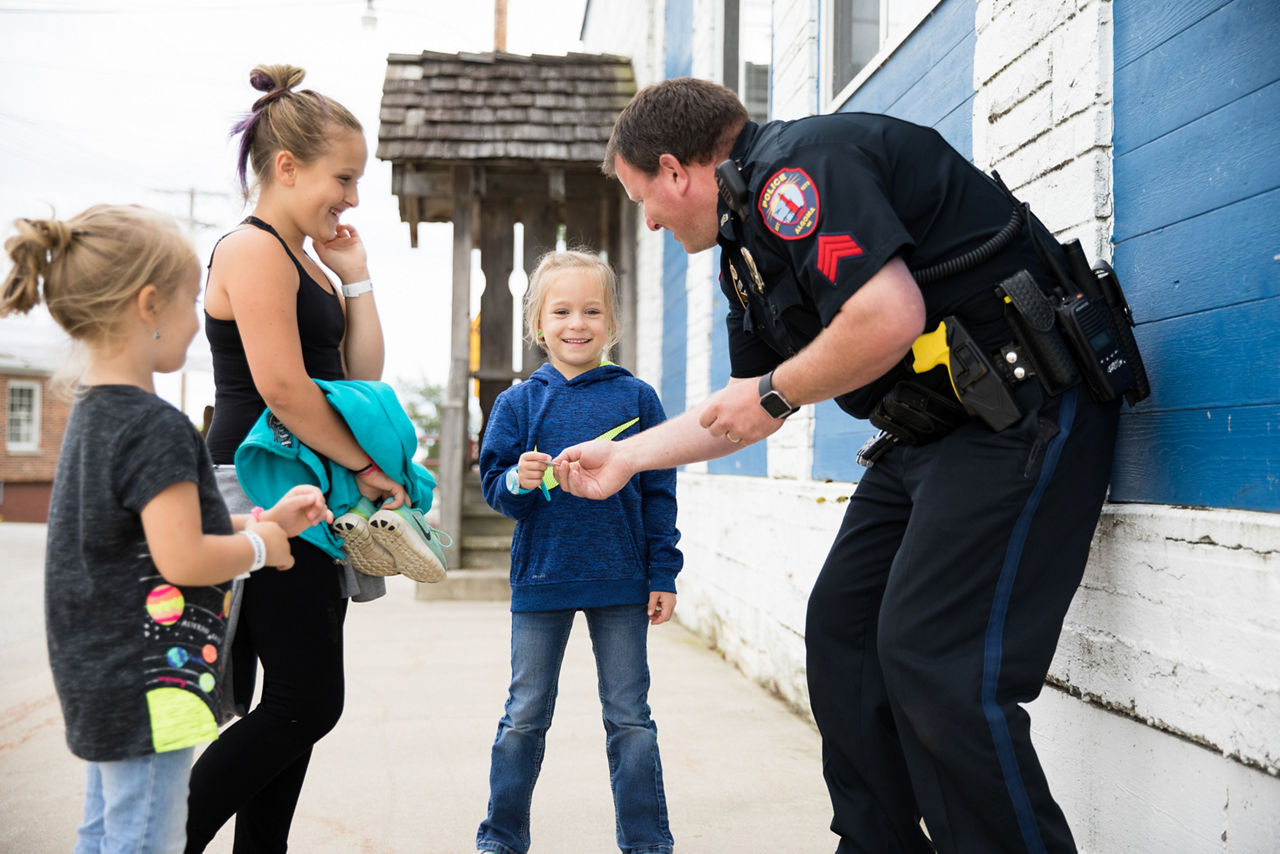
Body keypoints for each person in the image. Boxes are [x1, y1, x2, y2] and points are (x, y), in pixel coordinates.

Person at [553, 77, 1126, 854]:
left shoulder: (801, 170)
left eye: (641, 197)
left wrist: (782, 392)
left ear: (673, 169)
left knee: (935, 661)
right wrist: (626, 456)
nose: (648, 221)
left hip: (1022, 411)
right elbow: (741, 409)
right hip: (935, 431)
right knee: (844, 635)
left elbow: (887, 316)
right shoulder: (743, 247)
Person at [0, 204, 332, 854]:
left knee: (104, 830)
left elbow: (146, 536)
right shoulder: (154, 425)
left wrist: (261, 520)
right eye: (192, 302)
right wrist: (263, 547)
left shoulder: (92, 416)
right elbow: (182, 557)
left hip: (98, 675)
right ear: (149, 305)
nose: (200, 320)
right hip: (153, 680)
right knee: (145, 839)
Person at [184, 63, 442, 853]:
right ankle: (162, 836)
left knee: (289, 704)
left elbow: (353, 378)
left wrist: (356, 280)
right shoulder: (253, 249)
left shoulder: (305, 259)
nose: (353, 198)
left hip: (307, 482)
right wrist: (366, 469)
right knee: (303, 700)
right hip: (257, 484)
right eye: (345, 177)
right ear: (287, 166)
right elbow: (286, 391)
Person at [474, 250, 682, 854]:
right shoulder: (518, 403)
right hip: (542, 580)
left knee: (630, 719)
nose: (577, 323)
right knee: (524, 717)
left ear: (613, 323)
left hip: (621, 579)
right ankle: (501, 839)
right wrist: (520, 477)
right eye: (561, 310)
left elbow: (659, 492)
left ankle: (647, 843)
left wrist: (662, 570)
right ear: (538, 323)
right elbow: (497, 489)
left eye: (593, 310)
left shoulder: (638, 399)